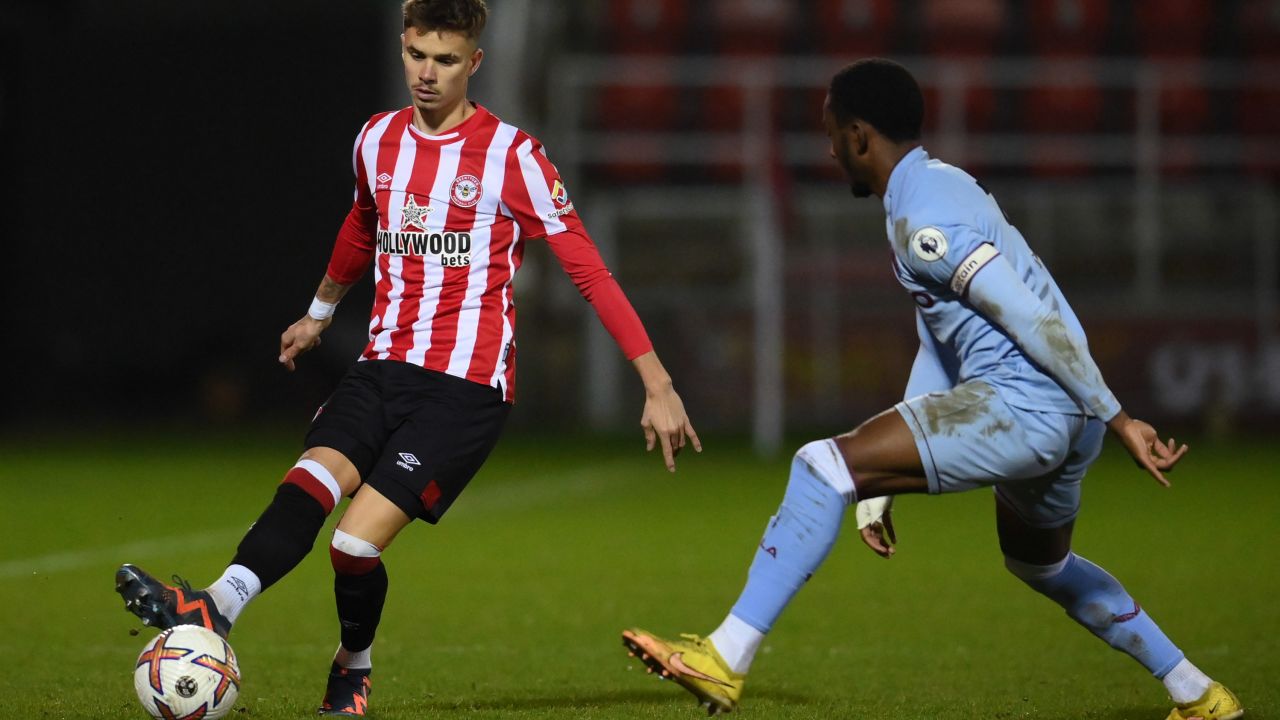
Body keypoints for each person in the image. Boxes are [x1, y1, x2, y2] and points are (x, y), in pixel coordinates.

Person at [115, 1, 700, 715]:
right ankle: (215, 607)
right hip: (381, 366)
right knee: (307, 484)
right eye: (418, 55)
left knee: (355, 549)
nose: (428, 73)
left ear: (473, 64)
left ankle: (353, 662)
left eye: (446, 60)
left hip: (463, 390)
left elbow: (589, 270)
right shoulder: (376, 139)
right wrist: (319, 313)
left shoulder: (513, 156)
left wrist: (656, 380)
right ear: (403, 49)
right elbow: (362, 224)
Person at [621, 59, 1242, 720]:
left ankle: (724, 658)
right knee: (1042, 566)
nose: (828, 150)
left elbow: (1035, 318)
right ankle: (1198, 694)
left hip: (1030, 406)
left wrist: (1121, 418)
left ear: (860, 136)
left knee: (820, 466)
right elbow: (937, 343)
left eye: (832, 134)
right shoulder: (943, 183)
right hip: (1065, 411)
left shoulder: (923, 223)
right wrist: (879, 488)